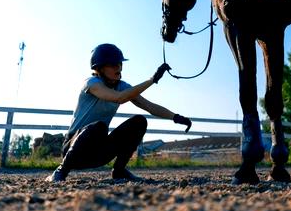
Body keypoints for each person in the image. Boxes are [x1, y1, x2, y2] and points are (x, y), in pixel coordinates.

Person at [46, 43, 192, 182]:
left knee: (139, 122)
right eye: (113, 64)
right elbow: (119, 98)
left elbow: (149, 106)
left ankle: (119, 171)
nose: (118, 67)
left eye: (120, 63)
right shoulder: (91, 83)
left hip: (98, 152)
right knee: (99, 127)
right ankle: (60, 170)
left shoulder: (122, 86)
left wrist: (176, 117)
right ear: (100, 68)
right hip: (73, 151)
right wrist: (152, 80)